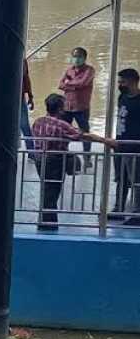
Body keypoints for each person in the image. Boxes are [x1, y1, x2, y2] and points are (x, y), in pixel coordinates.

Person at [32, 93, 116, 231]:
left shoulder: (38, 121)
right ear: (60, 109)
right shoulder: (61, 125)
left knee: (47, 190)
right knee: (51, 193)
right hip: (54, 162)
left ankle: (45, 222)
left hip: (40, 160)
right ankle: (49, 225)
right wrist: (105, 140)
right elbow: (82, 135)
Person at [58, 47, 95, 167]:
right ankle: (62, 155)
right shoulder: (69, 70)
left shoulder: (89, 70)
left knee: (85, 133)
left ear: (84, 58)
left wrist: (69, 83)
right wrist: (73, 85)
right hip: (67, 107)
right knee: (64, 132)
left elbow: (83, 83)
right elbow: (60, 85)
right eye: (74, 56)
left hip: (81, 108)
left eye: (79, 57)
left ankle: (87, 159)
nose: (76, 59)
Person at [114, 68, 140, 224]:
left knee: (136, 179)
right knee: (120, 178)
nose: (120, 84)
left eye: (122, 81)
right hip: (120, 144)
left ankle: (137, 212)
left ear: (132, 81)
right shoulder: (122, 97)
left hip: (134, 146)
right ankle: (118, 208)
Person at [20, 58, 36, 152]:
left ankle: (32, 153)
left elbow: (26, 78)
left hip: (20, 98)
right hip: (3, 98)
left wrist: (30, 96)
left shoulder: (22, 60)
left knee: (25, 126)